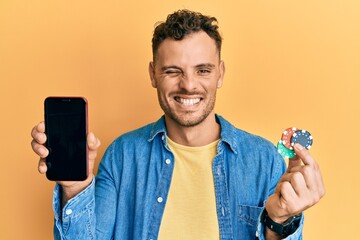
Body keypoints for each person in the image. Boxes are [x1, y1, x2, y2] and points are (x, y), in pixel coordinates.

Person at [31, 9, 325, 240]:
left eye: (203, 70)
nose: (189, 85)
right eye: (173, 71)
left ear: (220, 74)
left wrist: (279, 222)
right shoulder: (122, 156)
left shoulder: (263, 160)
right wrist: (75, 188)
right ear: (152, 74)